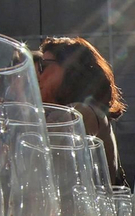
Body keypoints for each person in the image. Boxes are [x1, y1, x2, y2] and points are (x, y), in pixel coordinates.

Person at [36, 36, 127, 185]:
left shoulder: (81, 112)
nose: (37, 75)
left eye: (42, 66)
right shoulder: (87, 112)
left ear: (71, 68)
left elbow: (40, 171)